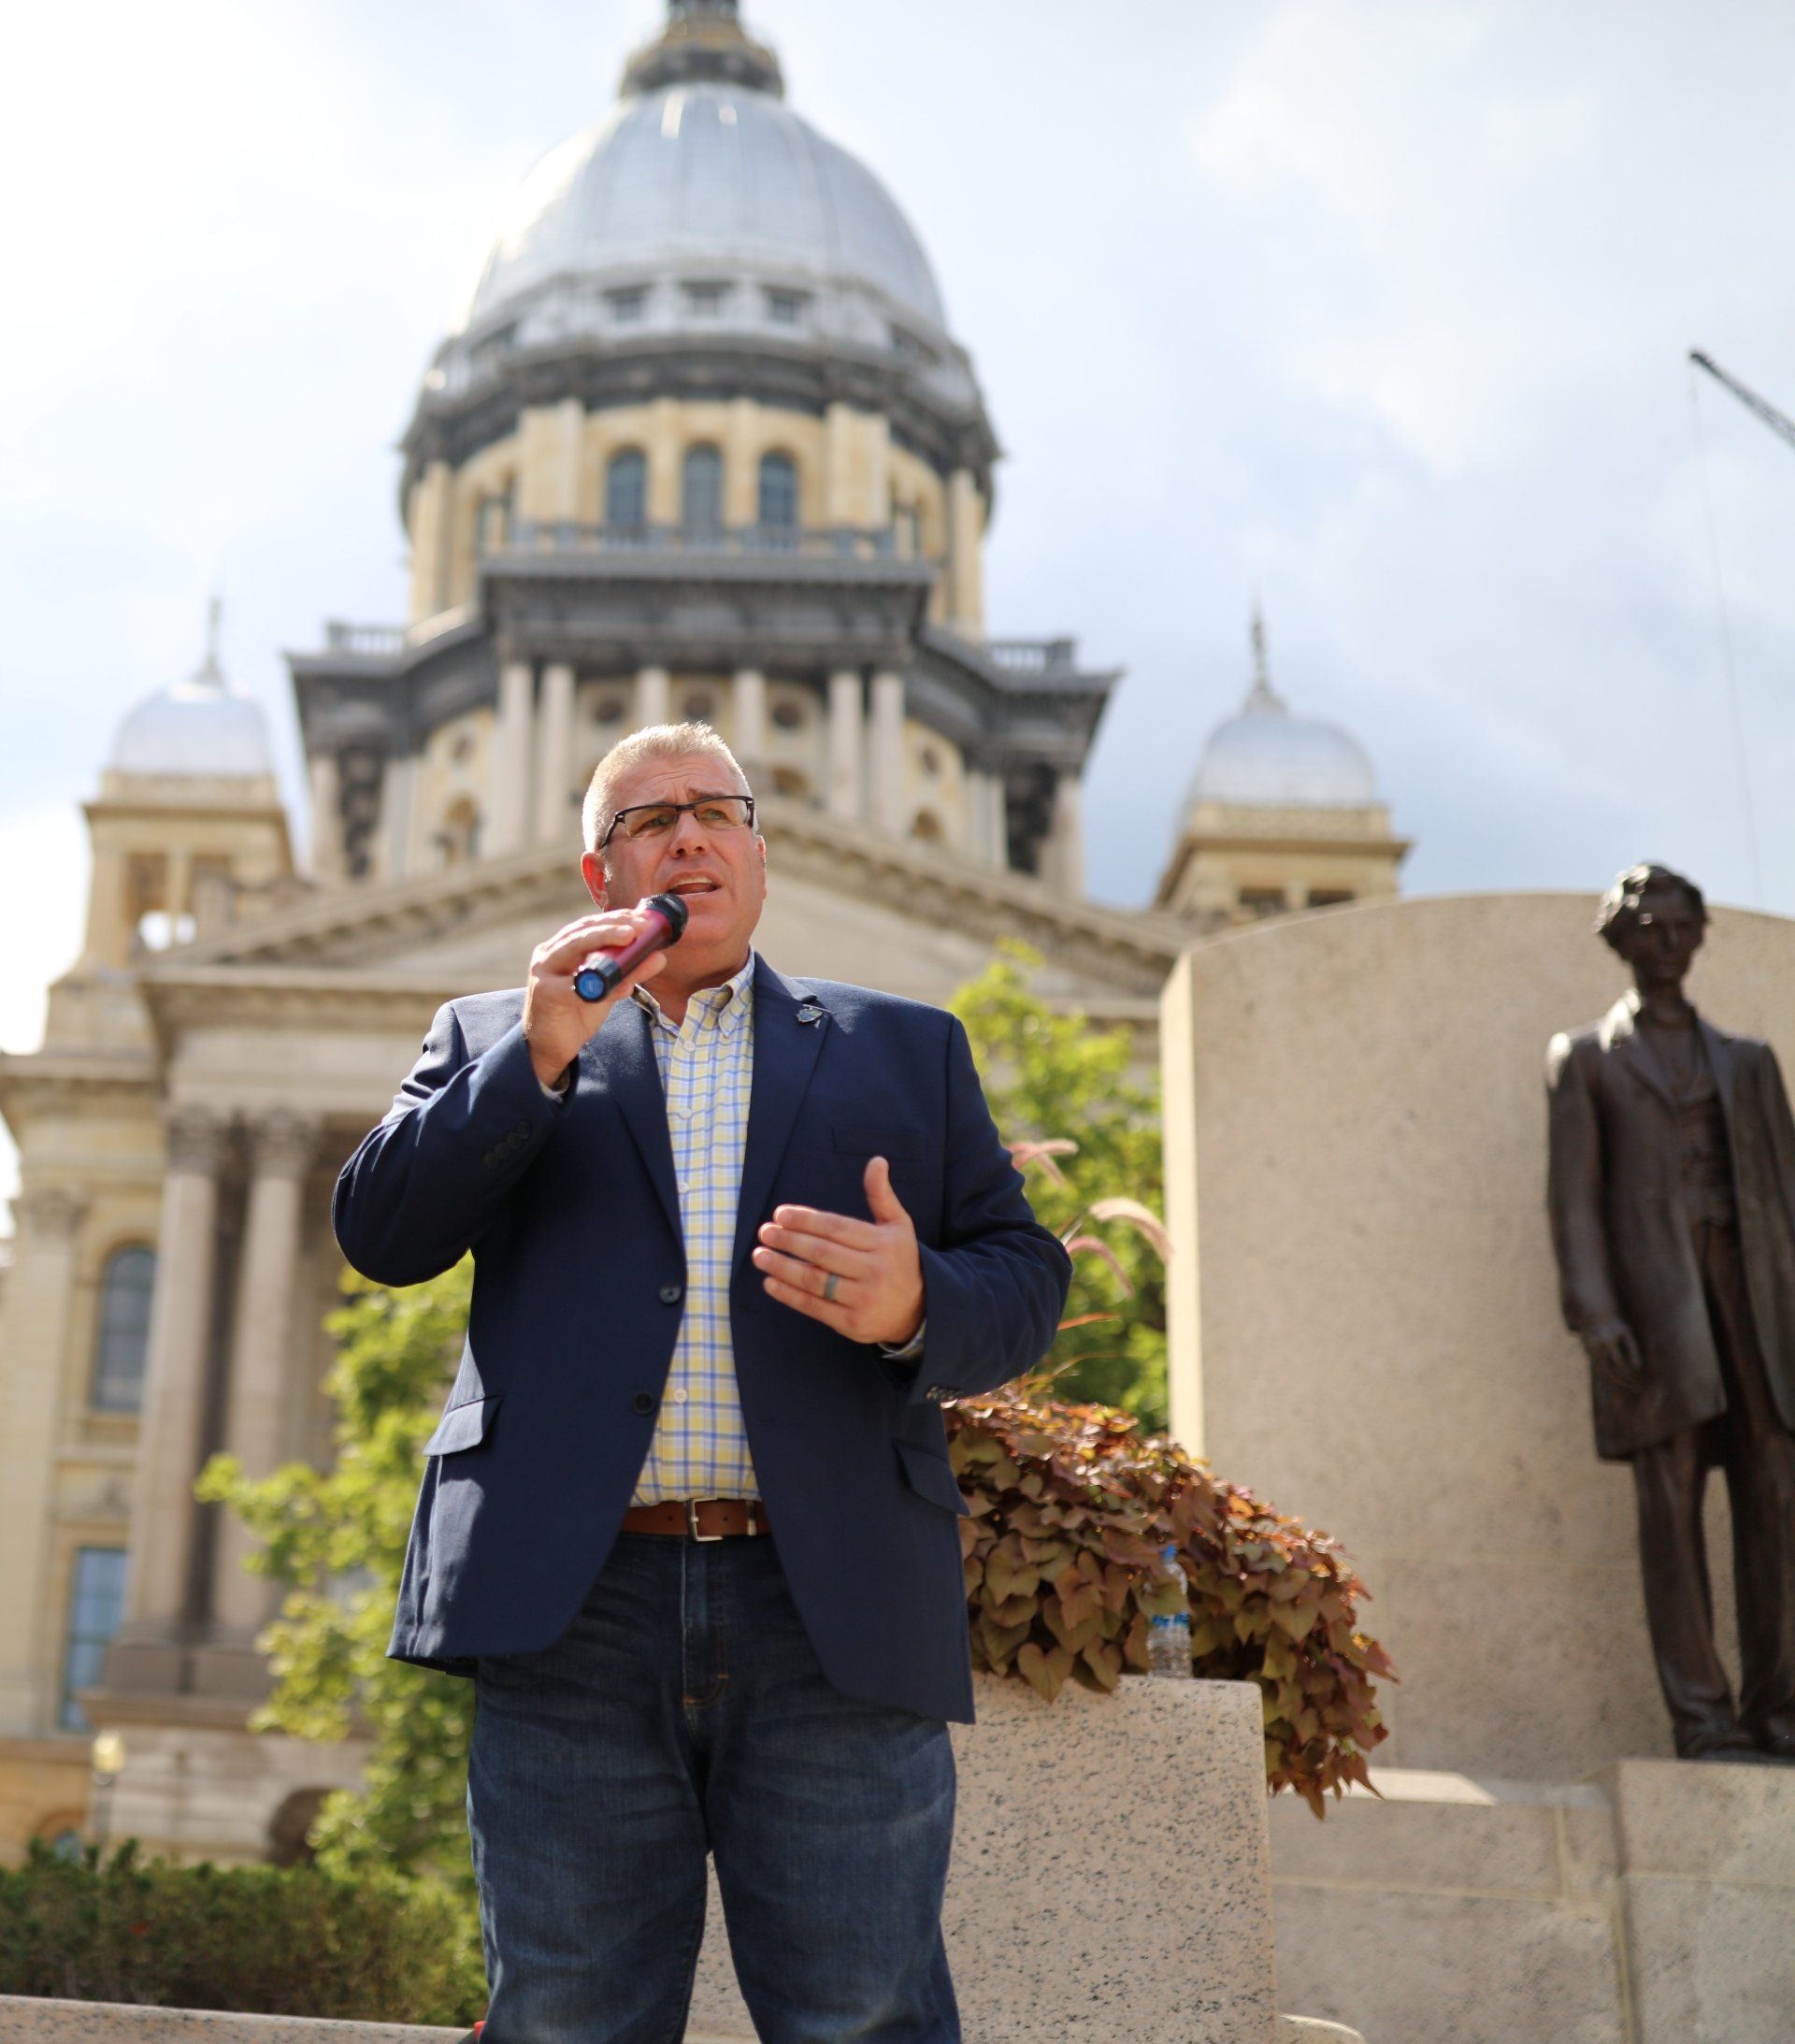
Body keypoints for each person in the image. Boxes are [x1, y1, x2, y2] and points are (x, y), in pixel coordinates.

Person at [334, 722, 1070, 2040]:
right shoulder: (493, 1035)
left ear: (759, 854)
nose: (688, 833)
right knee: (564, 2013)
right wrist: (537, 1058)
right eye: (647, 819)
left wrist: (920, 1301)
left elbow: (1023, 1283)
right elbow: (383, 1234)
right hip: (576, 1608)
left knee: (862, 2011)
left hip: (826, 1603)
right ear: (596, 871)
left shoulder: (907, 1050)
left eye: (717, 809)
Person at [1545, 862, 1795, 1764]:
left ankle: (1781, 1710)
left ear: (1698, 935)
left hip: (1757, 1301)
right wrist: (1594, 1312)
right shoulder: (1585, 1059)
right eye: (1646, 925)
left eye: (1679, 924)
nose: (1663, 939)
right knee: (1671, 1505)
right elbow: (1572, 1203)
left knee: (1775, 1496)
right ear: (1620, 938)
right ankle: (1704, 1717)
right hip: (1656, 1312)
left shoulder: (1750, 1063)